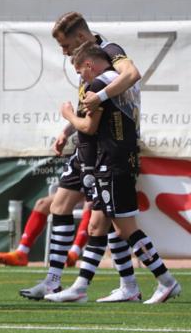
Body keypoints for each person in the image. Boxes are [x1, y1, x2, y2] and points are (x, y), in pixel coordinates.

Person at [45, 42, 181, 304]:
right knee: (106, 225)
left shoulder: (97, 87)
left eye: (79, 71)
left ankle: (166, 280)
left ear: (88, 64)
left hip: (111, 161)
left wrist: (68, 116)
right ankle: (96, 286)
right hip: (124, 158)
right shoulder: (118, 80)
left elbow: (89, 127)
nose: (80, 79)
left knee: (125, 228)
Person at [20, 12, 140, 303]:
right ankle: (53, 281)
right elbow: (87, 103)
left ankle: (137, 283)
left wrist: (98, 100)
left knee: (108, 221)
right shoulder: (89, 62)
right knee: (60, 205)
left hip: (109, 147)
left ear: (81, 38)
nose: (63, 53)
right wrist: (67, 129)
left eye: (65, 46)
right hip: (86, 143)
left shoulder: (110, 52)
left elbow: (132, 74)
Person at [0, 193, 91, 267]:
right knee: (42, 203)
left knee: (90, 203)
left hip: (98, 182)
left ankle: (74, 254)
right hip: (80, 180)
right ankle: (21, 253)